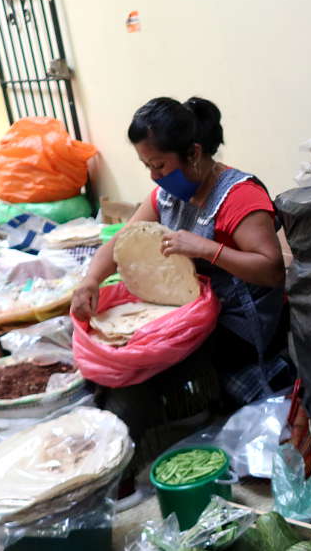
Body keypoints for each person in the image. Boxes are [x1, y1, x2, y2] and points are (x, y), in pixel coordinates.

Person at [71, 97, 292, 475]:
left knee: (138, 371)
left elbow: (271, 270)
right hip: (189, 313)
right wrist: (90, 281)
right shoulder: (168, 193)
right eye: (147, 167)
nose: (155, 177)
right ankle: (111, 447)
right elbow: (121, 241)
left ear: (193, 152)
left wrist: (207, 248)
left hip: (239, 322)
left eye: (159, 165)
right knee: (113, 354)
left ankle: (119, 469)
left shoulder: (239, 195)